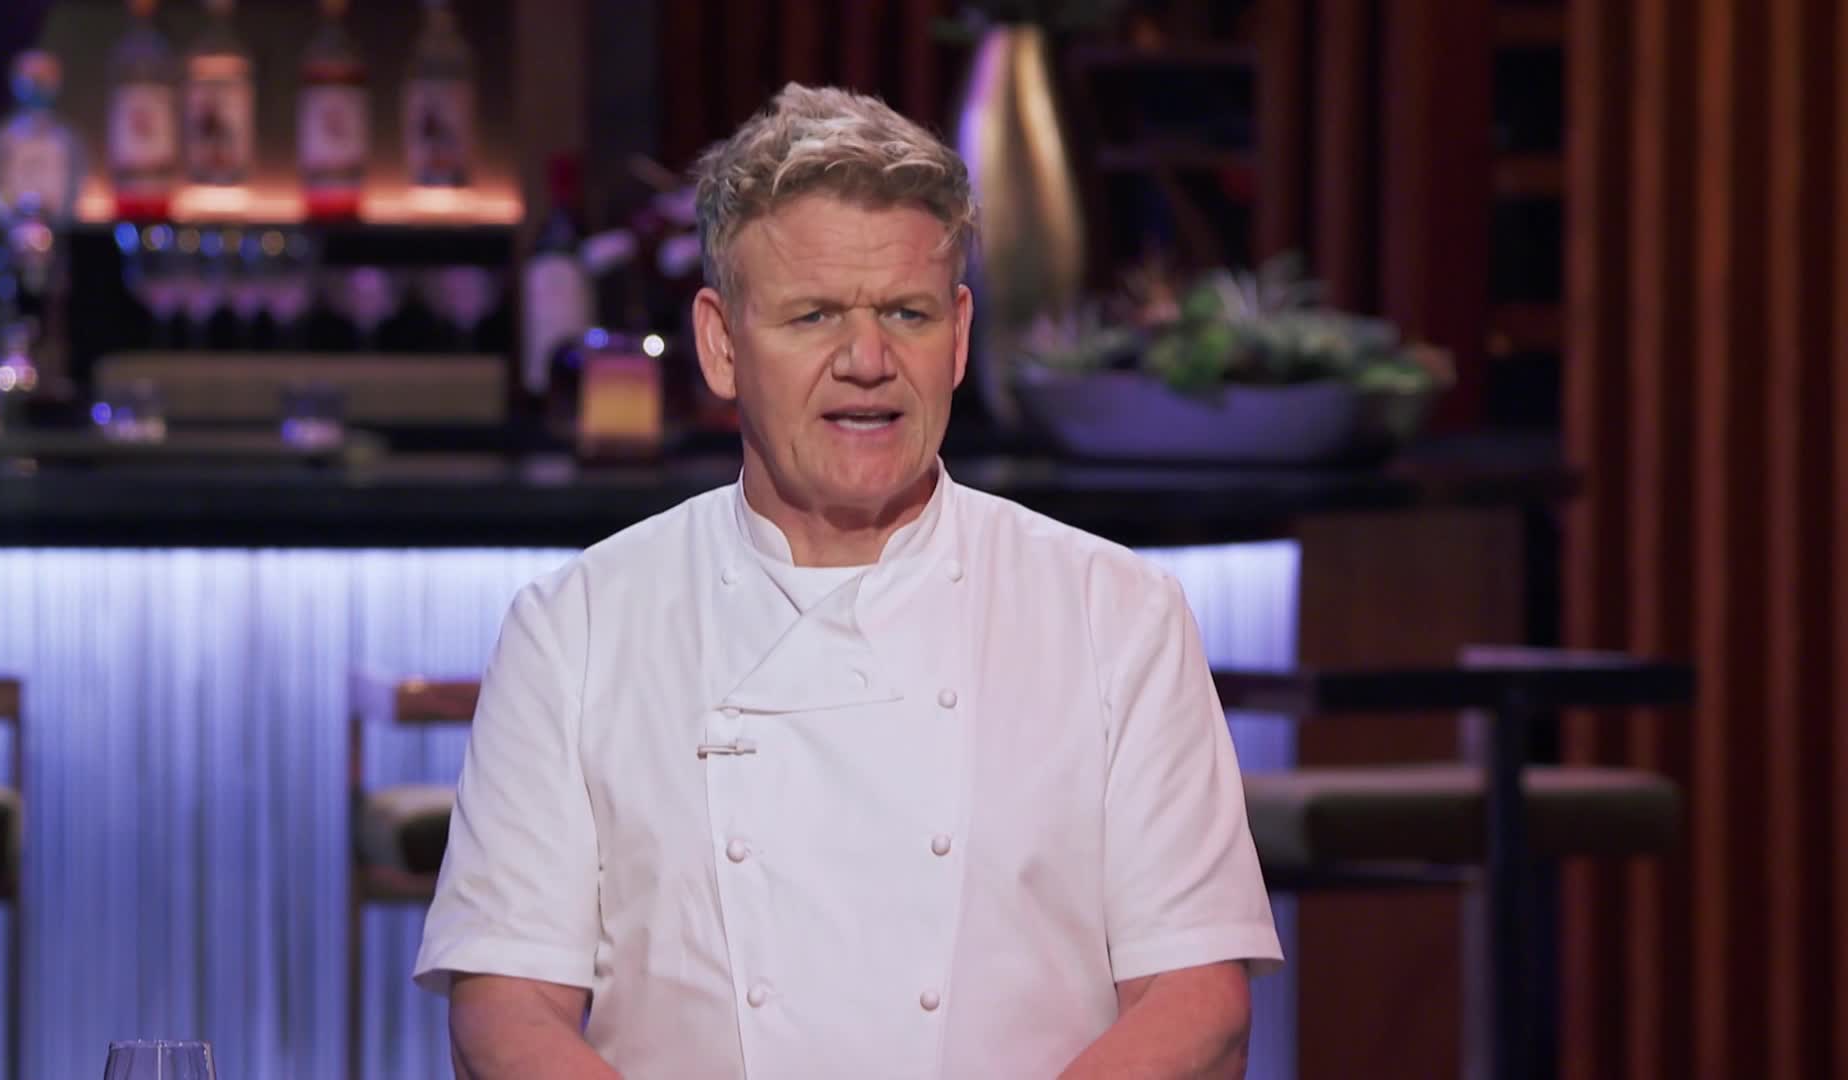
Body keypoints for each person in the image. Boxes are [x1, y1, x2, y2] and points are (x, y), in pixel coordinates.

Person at [414, 83, 1281, 1079]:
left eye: (906, 313)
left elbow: (1197, 1001)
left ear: (958, 337)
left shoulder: (1114, 613)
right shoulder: (577, 629)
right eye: (813, 314)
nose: (867, 360)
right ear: (721, 344)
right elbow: (507, 1010)